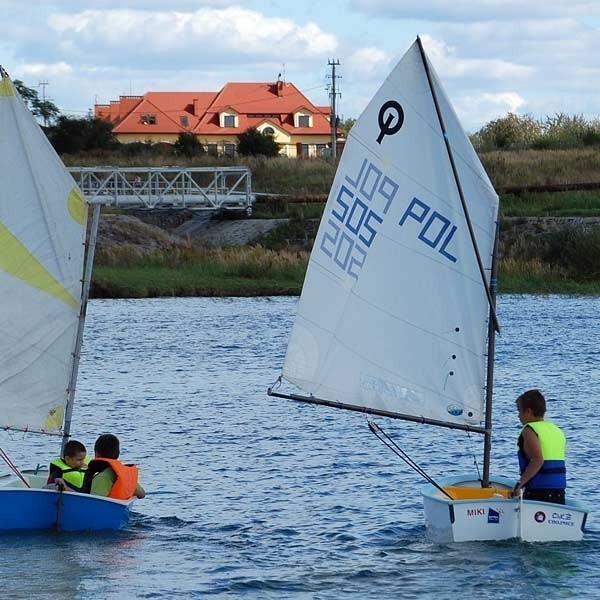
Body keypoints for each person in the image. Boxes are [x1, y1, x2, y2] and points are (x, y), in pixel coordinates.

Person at [512, 389, 566, 504]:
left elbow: (537, 460)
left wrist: (519, 485)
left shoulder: (529, 430)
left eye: (519, 411)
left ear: (528, 412)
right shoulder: (556, 430)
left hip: (539, 493)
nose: (518, 416)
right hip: (559, 492)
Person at [82, 434, 145, 500]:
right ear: (118, 453)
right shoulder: (124, 475)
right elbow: (142, 494)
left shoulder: (101, 478)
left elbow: (95, 504)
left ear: (97, 454)